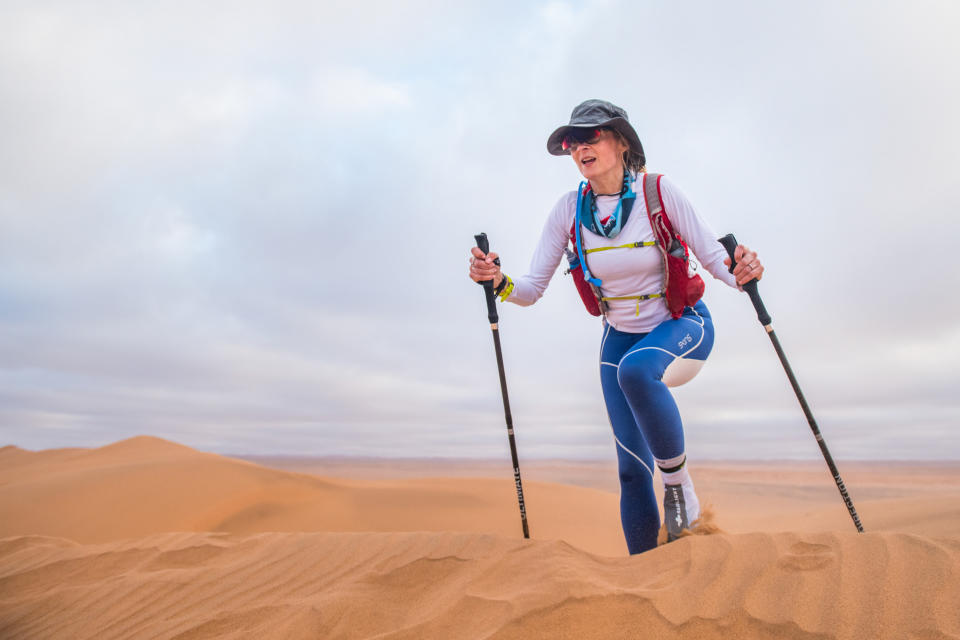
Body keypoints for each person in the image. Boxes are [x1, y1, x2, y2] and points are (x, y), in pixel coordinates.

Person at [468, 99, 764, 554]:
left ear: (622, 141)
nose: (579, 147)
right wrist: (498, 281)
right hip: (619, 339)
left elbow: (714, 259)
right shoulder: (569, 210)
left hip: (682, 327)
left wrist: (743, 273)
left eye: (591, 136)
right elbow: (530, 289)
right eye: (572, 141)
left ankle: (680, 488)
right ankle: (642, 581)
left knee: (636, 370)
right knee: (629, 468)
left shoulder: (659, 192)